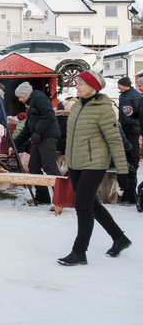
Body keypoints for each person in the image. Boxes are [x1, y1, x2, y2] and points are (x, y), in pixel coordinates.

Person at [58, 70, 132, 266]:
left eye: (80, 83)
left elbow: (115, 141)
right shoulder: (77, 106)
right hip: (76, 162)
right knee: (91, 204)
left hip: (94, 163)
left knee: (83, 206)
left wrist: (122, 171)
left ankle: (79, 252)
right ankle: (119, 238)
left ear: (92, 87)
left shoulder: (104, 109)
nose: (76, 86)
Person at [11, 81, 60, 205]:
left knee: (49, 167)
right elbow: (27, 129)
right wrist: (14, 145)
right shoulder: (31, 105)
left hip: (48, 137)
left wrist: (37, 132)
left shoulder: (39, 98)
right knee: (33, 166)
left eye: (20, 96)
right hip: (39, 139)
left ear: (26, 94)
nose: (19, 99)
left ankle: (60, 200)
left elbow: (48, 114)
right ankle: (42, 197)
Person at [116, 76, 140, 204]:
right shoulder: (122, 95)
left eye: (119, 84)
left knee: (132, 151)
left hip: (132, 126)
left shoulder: (134, 95)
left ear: (124, 84)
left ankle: (133, 167)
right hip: (124, 125)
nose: (118, 86)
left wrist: (137, 124)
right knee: (125, 150)